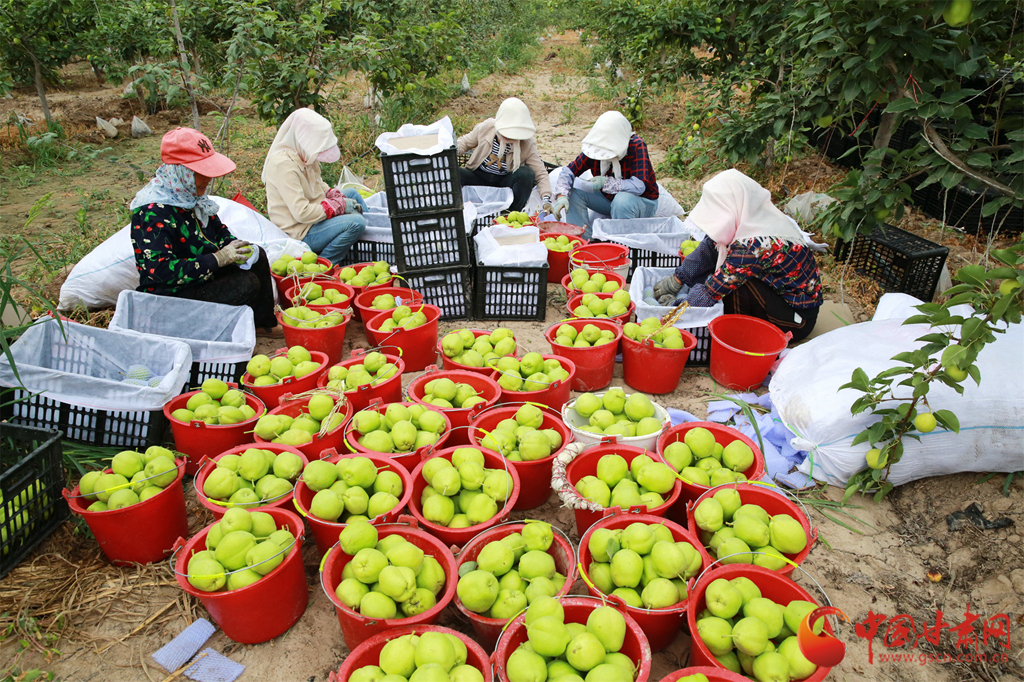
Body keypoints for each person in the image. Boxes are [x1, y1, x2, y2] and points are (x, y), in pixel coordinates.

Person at [130, 127, 280, 337]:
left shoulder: (194, 200)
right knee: (245, 284)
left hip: (204, 277)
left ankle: (263, 324)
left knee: (257, 255)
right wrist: (217, 259)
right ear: (180, 171)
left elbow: (220, 232)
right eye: (200, 173)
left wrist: (236, 247)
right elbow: (160, 271)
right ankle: (211, 335)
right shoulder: (152, 213)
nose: (208, 179)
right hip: (173, 298)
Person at [654, 169, 824, 341]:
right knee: (723, 269)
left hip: (795, 319)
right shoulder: (749, 218)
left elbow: (712, 290)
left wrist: (676, 310)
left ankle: (735, 336)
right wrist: (677, 279)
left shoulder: (755, 244)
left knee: (733, 287)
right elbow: (709, 247)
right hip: (773, 294)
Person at [262, 108, 367, 265]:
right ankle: (323, 265)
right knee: (356, 223)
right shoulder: (284, 166)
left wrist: (332, 194)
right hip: (301, 231)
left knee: (352, 193)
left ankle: (373, 236)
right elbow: (302, 213)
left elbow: (318, 183)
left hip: (314, 217)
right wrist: (336, 207)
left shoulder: (302, 153)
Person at [552, 111, 659, 239]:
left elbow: (639, 186)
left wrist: (606, 182)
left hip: (639, 202)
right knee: (573, 193)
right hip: (609, 199)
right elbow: (568, 171)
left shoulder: (636, 145)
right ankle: (583, 243)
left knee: (622, 201)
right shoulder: (596, 147)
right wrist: (561, 196)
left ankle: (623, 246)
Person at [457, 97, 553, 213]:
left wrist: (546, 201)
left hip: (504, 183)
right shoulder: (487, 128)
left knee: (526, 174)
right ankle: (457, 209)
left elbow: (540, 173)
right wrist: (452, 149)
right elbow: (464, 143)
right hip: (478, 177)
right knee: (454, 173)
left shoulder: (527, 143)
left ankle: (510, 213)